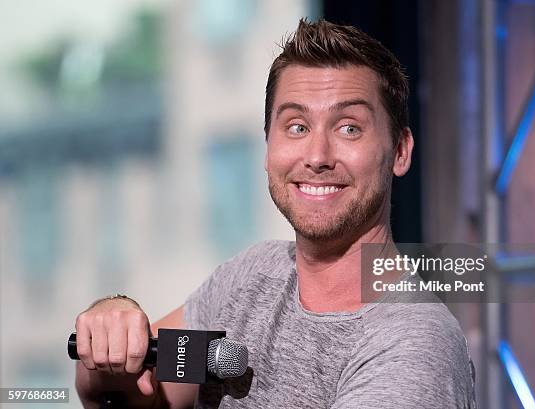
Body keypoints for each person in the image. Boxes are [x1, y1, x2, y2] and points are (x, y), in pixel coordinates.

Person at [74, 18, 477, 408]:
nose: (317, 157)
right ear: (268, 148)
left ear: (400, 151)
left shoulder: (414, 343)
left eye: (349, 127)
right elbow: (137, 395)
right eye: (297, 127)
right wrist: (109, 335)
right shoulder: (249, 277)